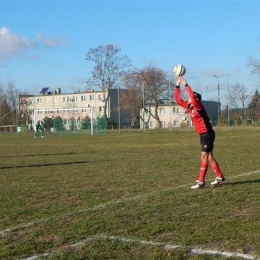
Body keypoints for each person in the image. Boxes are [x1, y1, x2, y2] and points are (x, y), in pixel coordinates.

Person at [174, 76, 225, 189]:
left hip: (208, 134)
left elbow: (192, 95)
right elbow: (178, 99)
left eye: (191, 97)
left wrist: (186, 84)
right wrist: (177, 85)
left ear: (196, 99)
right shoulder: (189, 107)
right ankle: (220, 177)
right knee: (209, 157)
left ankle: (201, 181)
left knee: (203, 156)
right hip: (202, 134)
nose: (188, 98)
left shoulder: (198, 107)